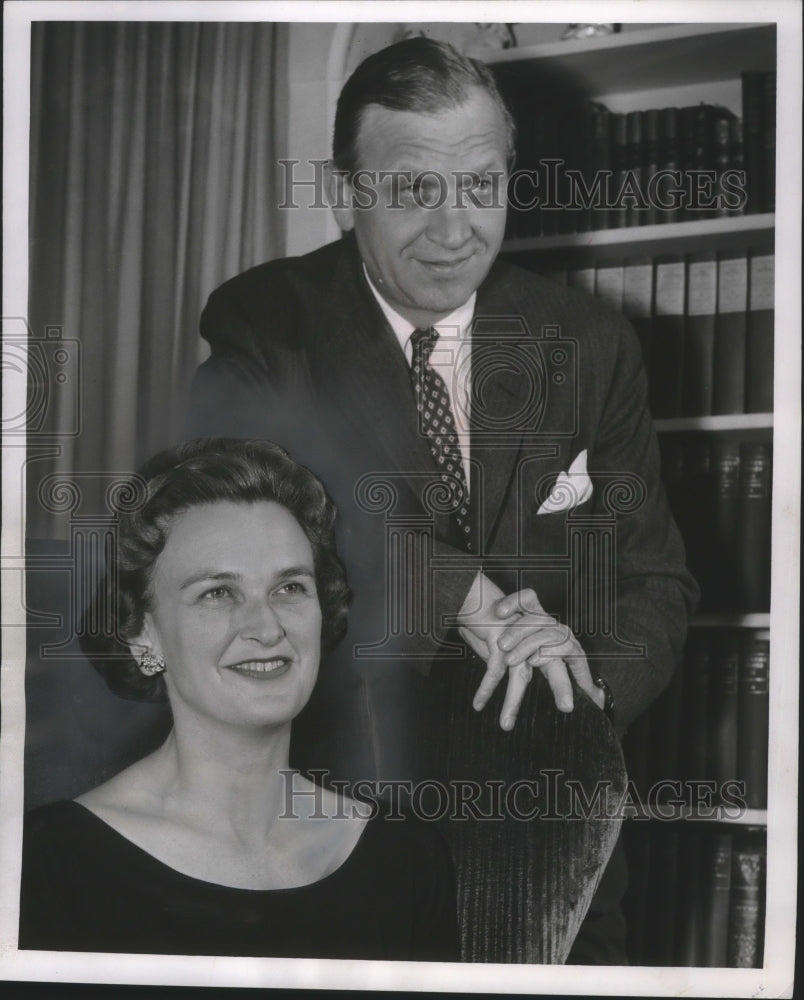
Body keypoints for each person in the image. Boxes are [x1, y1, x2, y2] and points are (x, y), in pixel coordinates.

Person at [185, 39, 699, 962]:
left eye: (482, 185)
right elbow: (268, 539)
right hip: (326, 831)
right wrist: (469, 599)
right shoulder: (265, 326)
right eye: (415, 191)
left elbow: (655, 584)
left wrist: (574, 682)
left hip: (555, 835)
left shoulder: (590, 343)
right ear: (348, 192)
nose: (456, 228)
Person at [19, 438, 459, 960]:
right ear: (143, 635)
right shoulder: (45, 864)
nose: (265, 627)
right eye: (217, 593)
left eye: (290, 588)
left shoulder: (405, 857)